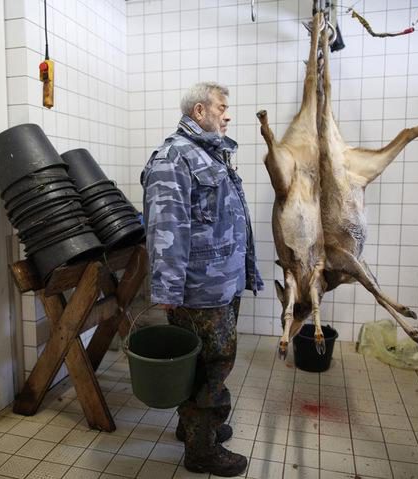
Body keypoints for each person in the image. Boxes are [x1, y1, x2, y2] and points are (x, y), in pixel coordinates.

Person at [140, 82, 264, 477]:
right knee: (212, 366)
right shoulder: (174, 158)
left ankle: (194, 428)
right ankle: (202, 451)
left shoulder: (210, 154)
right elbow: (165, 230)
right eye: (221, 107)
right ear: (199, 111)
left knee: (208, 363)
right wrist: (167, 290)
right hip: (199, 289)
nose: (228, 115)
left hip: (221, 282)